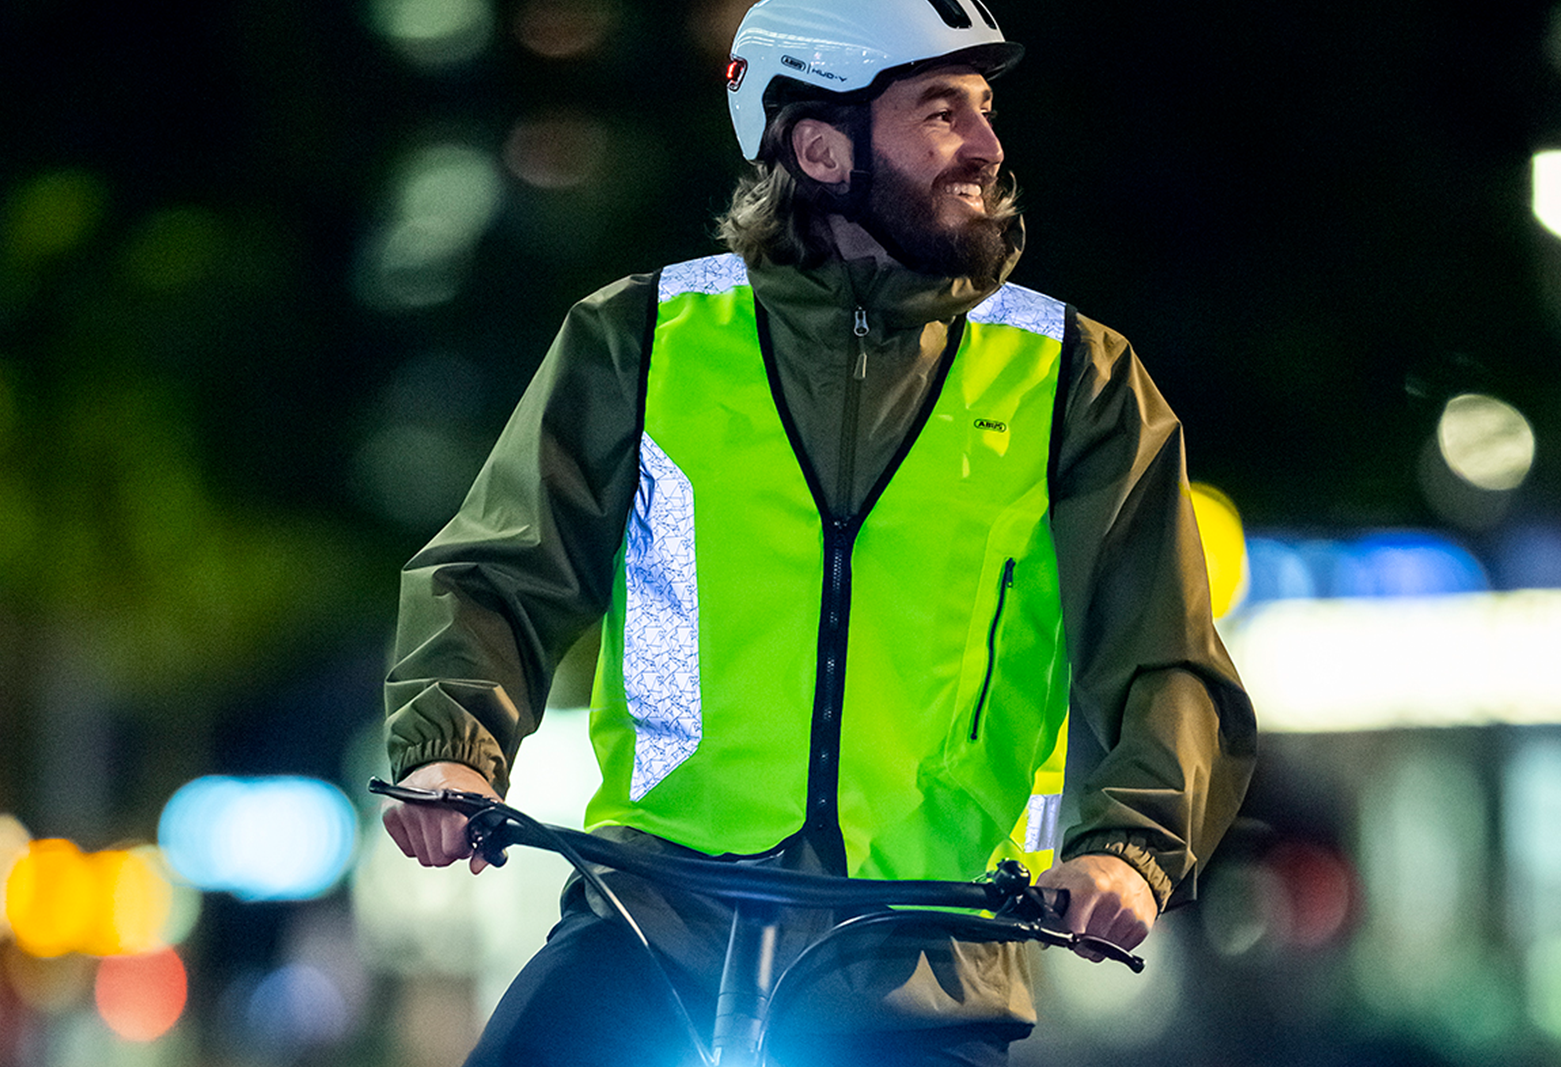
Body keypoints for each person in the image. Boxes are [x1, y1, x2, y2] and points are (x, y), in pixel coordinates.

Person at [380, 1, 1257, 1064]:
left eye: (984, 108)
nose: (987, 145)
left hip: (927, 959)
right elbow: (497, 571)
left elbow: (1161, 648)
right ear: (821, 147)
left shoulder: (1078, 378)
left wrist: (1129, 847)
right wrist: (450, 755)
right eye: (942, 112)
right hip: (654, 918)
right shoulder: (641, 338)